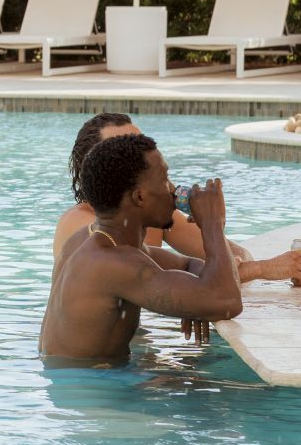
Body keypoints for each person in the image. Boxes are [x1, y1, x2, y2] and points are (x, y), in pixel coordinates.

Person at [40, 132, 243, 364]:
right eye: (165, 180)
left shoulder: (96, 241)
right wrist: (213, 224)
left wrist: (199, 300)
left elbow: (188, 265)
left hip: (78, 381)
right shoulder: (113, 263)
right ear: (139, 197)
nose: (174, 190)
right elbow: (227, 301)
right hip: (91, 390)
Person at [54, 113, 301, 287]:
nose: (135, 156)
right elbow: (163, 280)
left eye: (139, 145)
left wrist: (212, 225)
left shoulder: (149, 217)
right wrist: (263, 269)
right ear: (95, 166)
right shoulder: (81, 227)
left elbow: (233, 255)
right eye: (121, 149)